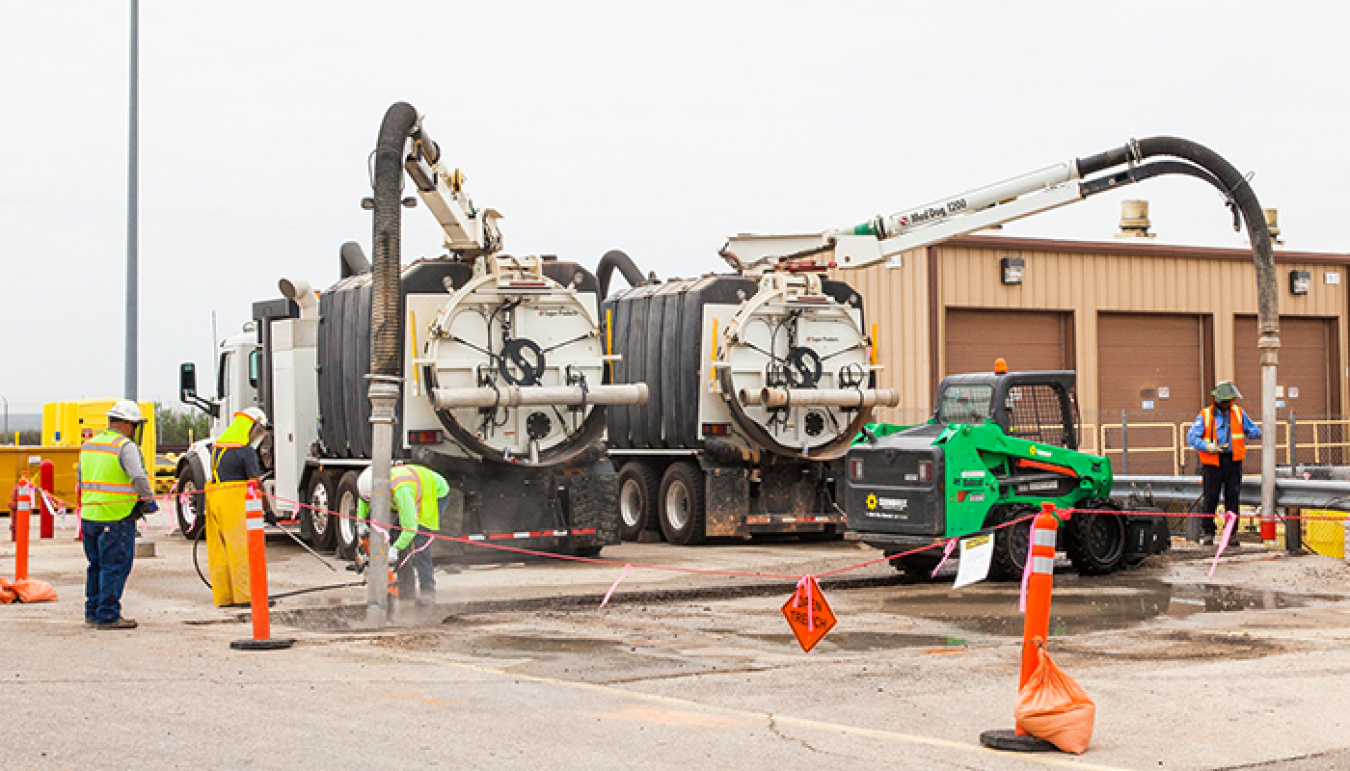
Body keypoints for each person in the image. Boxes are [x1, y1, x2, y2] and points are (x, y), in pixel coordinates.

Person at [79, 400, 156, 630]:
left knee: (96, 565)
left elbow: (81, 479)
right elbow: (138, 477)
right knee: (114, 567)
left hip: (90, 516)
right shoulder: (125, 446)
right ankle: (108, 615)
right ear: (126, 424)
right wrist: (149, 500)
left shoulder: (89, 445)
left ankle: (92, 611)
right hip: (116, 516)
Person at [357, 463, 448, 606]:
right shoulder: (371, 485)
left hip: (433, 493)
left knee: (420, 542)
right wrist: (360, 521)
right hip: (415, 488)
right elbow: (364, 501)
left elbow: (410, 528)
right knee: (395, 535)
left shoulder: (401, 492)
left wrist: (396, 548)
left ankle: (427, 592)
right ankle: (406, 590)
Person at [204, 407, 268, 607]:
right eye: (258, 431)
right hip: (236, 502)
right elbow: (255, 483)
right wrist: (268, 509)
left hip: (215, 500)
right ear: (250, 426)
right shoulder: (246, 452)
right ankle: (247, 596)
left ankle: (224, 597)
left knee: (220, 550)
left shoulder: (218, 447)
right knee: (243, 550)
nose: (258, 436)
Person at [1186, 382, 1262, 546]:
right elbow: (1192, 437)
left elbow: (1252, 430)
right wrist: (1207, 446)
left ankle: (1231, 534)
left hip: (1232, 461)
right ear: (1218, 400)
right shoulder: (1205, 415)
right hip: (1212, 462)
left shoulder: (1239, 414)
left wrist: (1263, 431)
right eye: (1227, 401)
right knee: (1210, 498)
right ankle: (1208, 532)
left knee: (1232, 498)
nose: (1229, 404)